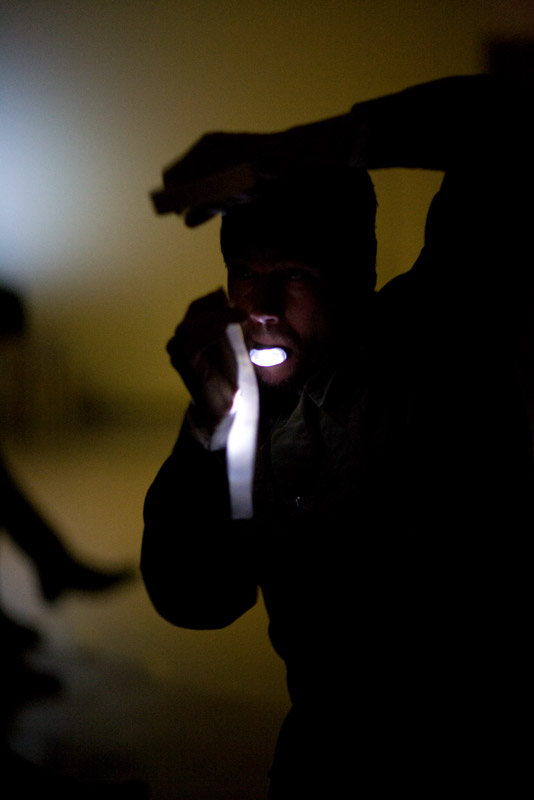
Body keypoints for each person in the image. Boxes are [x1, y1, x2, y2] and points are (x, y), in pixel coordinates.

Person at [141, 76, 533, 796]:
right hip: (323, 758)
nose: (259, 306)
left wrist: (292, 152)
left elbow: (513, 120)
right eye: (244, 273)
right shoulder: (246, 408)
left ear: (356, 277)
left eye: (292, 274)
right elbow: (197, 599)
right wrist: (206, 432)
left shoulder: (443, 343)